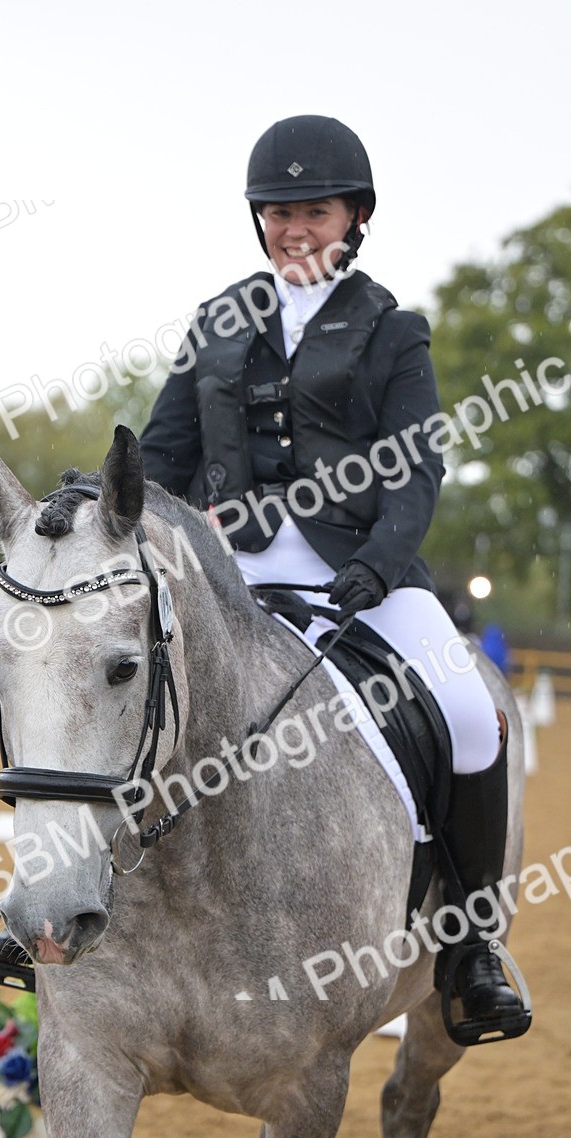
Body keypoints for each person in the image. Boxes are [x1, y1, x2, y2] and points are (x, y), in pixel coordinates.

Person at [139, 115, 530, 1038]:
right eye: (278, 213)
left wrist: (375, 568)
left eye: (314, 211)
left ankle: (470, 945)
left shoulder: (393, 333)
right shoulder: (218, 322)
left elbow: (414, 472)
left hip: (362, 576)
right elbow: (161, 458)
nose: (294, 229)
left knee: (473, 715)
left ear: (354, 217)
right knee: (101, 682)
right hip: (225, 573)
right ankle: (40, 906)